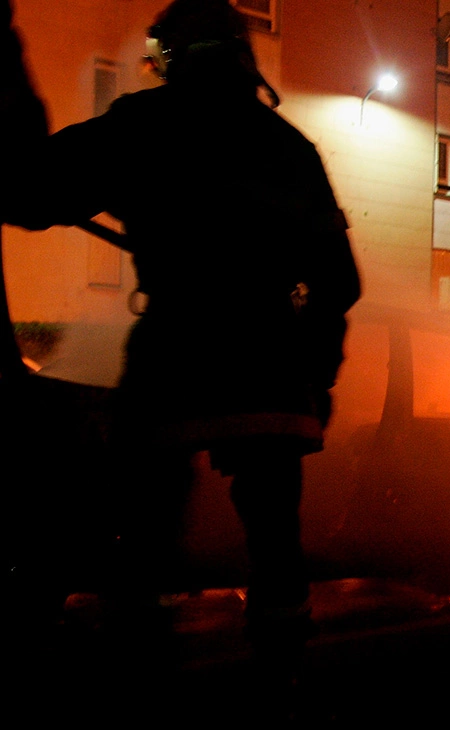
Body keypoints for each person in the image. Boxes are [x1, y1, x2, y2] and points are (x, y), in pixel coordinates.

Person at [0, 0, 360, 667]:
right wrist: (315, 371)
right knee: (276, 544)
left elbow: (28, 193)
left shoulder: (143, 125)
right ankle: (282, 680)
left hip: (175, 360)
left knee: (144, 530)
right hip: (272, 368)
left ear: (173, 55)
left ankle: (142, 667)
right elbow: (338, 282)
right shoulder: (290, 147)